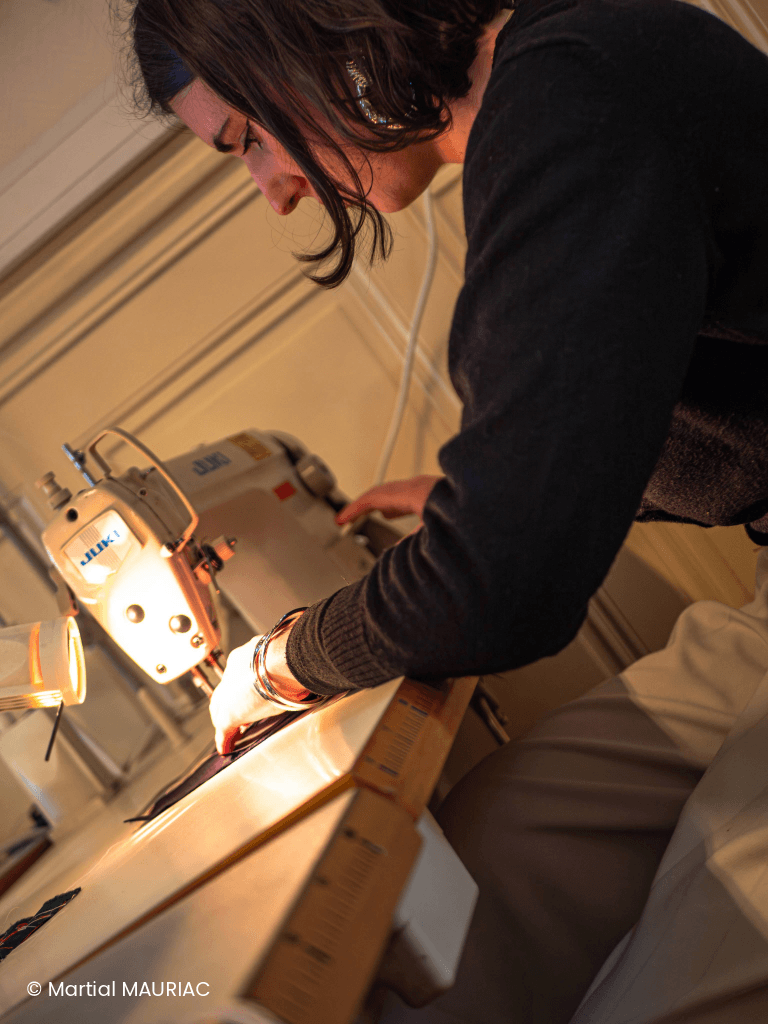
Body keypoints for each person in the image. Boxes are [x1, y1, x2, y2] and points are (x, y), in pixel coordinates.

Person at [124, 0, 768, 1020]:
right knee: (484, 859)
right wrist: (503, 487)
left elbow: (495, 585)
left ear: (319, 29)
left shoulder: (570, 98)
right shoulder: (566, 76)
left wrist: (282, 659)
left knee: (665, 989)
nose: (275, 192)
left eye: (248, 140)